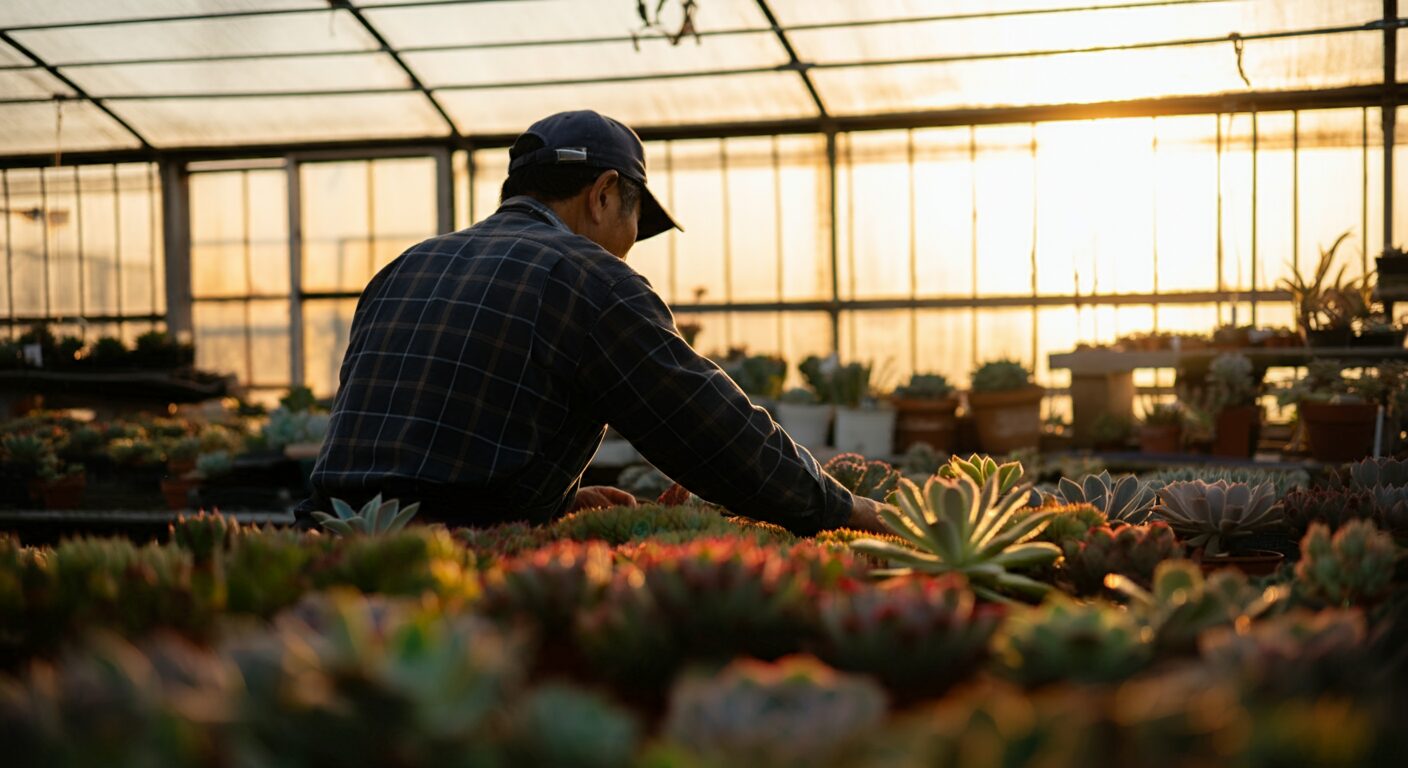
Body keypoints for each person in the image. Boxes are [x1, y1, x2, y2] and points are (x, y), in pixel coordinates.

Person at [298, 110, 888, 535]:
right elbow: (704, 425)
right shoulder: (587, 276)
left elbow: (419, 439)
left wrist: (555, 499)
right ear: (605, 194)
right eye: (635, 222)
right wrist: (841, 509)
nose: (629, 248)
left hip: (327, 546)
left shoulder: (403, 268)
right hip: (449, 567)